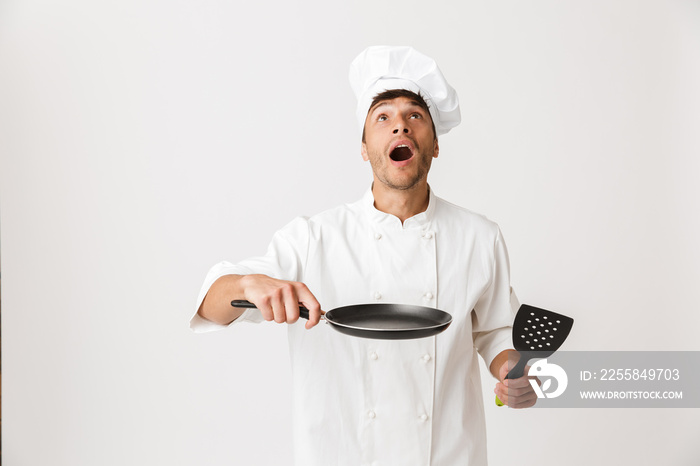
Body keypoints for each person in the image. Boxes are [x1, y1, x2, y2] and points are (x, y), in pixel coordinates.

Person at [191, 45, 537, 465]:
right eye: (383, 117)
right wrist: (249, 284)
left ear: (436, 145)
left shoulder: (480, 237)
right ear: (363, 146)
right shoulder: (313, 238)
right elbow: (212, 303)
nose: (400, 128)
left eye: (415, 116)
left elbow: (498, 332)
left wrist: (514, 372)